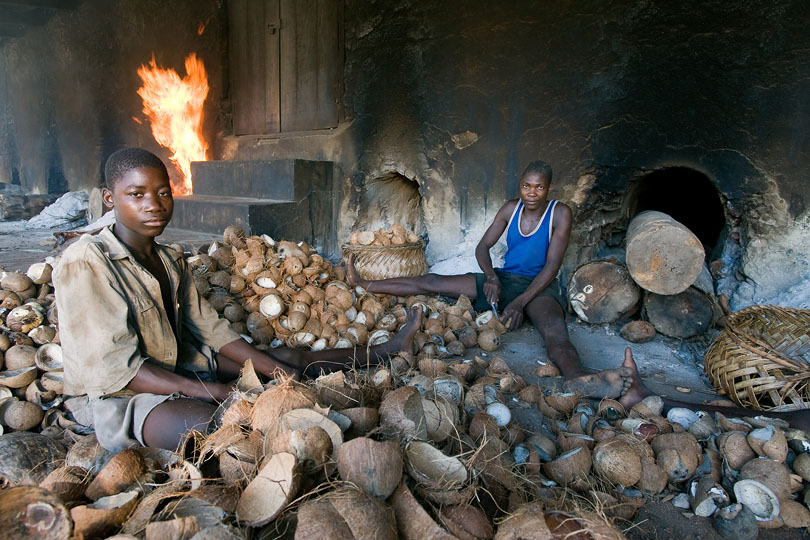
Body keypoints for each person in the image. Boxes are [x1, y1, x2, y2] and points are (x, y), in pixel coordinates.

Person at [55, 148, 422, 452]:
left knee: (288, 359)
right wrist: (215, 391)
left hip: (184, 366)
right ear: (109, 198)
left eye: (163, 192)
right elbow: (120, 371)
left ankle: (388, 348)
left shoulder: (169, 259)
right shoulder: (87, 261)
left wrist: (275, 371)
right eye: (137, 195)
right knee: (229, 425)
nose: (153, 204)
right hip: (128, 397)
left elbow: (210, 330)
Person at [347, 161, 632, 399]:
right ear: (520, 186)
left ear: (549, 189)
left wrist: (519, 303)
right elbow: (482, 248)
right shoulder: (511, 209)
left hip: (540, 286)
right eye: (526, 186)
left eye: (539, 187)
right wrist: (493, 278)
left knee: (555, 333)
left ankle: (577, 378)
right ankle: (363, 283)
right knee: (431, 280)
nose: (531, 193)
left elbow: (551, 267)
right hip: (505, 279)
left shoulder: (560, 213)